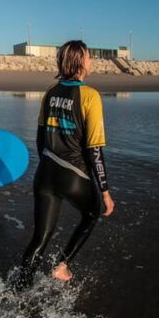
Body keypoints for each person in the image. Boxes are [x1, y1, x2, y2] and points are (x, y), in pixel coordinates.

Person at [16, 40, 115, 287]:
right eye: (89, 56)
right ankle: (62, 265)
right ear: (80, 62)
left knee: (40, 238)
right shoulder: (90, 95)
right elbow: (94, 150)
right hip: (72, 174)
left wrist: (48, 165)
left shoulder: (51, 92)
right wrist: (104, 192)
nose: (91, 61)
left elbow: (40, 138)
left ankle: (19, 292)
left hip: (45, 173)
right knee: (91, 213)